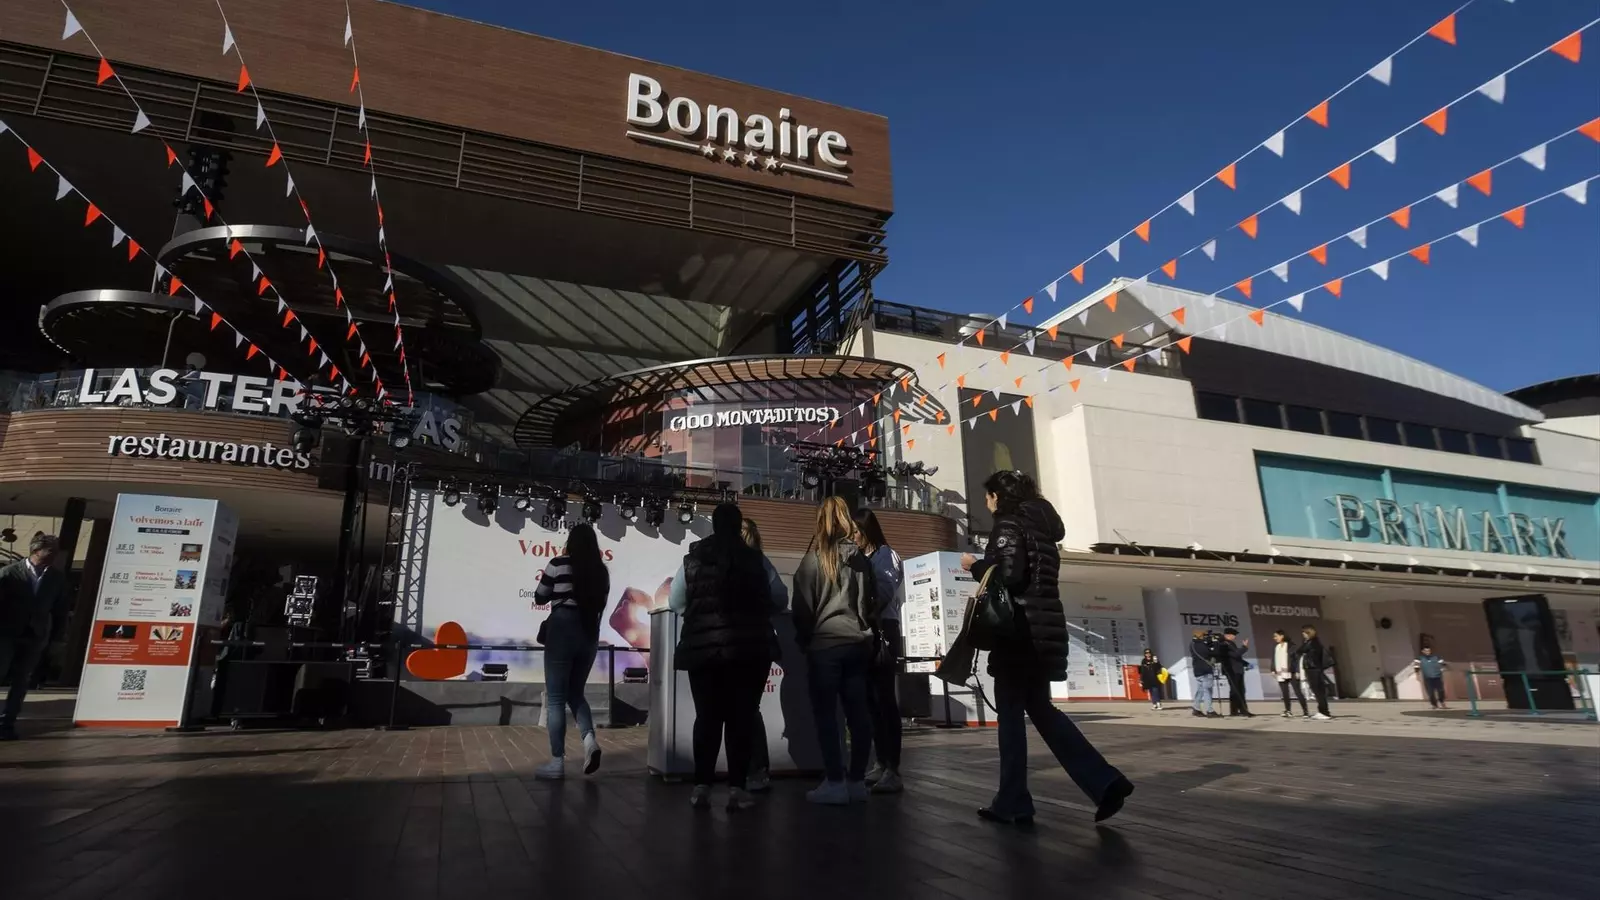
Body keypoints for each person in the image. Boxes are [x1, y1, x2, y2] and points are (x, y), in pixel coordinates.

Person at [959, 471, 1133, 825]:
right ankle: (1104, 782)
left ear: (997, 496)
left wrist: (976, 566)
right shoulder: (1042, 529)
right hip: (1043, 633)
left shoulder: (1008, 525)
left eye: (988, 496)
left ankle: (1013, 802)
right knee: (1041, 710)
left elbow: (1009, 577)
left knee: (1011, 717)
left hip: (1018, 635)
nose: (987, 503)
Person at [667, 503, 774, 811]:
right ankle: (737, 789)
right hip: (748, 650)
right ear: (739, 526)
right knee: (741, 718)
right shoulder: (756, 560)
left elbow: (676, 601)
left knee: (707, 717)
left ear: (713, 525)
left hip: (704, 650)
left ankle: (701, 787)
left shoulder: (692, 558)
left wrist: (700, 614)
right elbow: (777, 598)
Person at [792, 496, 877, 805]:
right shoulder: (862, 561)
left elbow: (802, 609)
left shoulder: (813, 561)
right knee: (858, 714)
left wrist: (805, 639)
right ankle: (857, 781)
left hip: (825, 646)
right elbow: (870, 604)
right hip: (857, 643)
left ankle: (835, 781)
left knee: (827, 716)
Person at [533, 523, 610, 779]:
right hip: (589, 631)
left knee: (556, 698)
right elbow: (600, 605)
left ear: (571, 542)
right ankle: (590, 742)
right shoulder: (601, 572)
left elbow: (540, 596)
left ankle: (557, 762)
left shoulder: (558, 564)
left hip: (562, 629)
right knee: (576, 693)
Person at [853, 508, 905, 794]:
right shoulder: (863, 556)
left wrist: (867, 609)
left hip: (883, 628)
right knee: (870, 700)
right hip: (867, 628)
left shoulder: (885, 555)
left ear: (867, 530)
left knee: (884, 699)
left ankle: (892, 767)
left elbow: (885, 591)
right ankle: (881, 761)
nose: (853, 537)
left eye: (856, 531)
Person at [0, 534, 67, 741]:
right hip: (6, 634)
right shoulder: (9, 573)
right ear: (36, 551)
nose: (55, 555)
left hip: (35, 635)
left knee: (22, 680)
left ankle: (7, 723)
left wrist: (57, 638)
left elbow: (60, 610)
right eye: (51, 551)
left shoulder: (56, 578)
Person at [740, 517, 788, 793]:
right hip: (757, 641)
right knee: (749, 708)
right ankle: (757, 770)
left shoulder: (714, 559)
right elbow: (781, 598)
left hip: (723, 642)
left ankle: (723, 774)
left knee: (722, 710)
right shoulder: (761, 563)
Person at [1298, 624, 1333, 720]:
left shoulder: (1312, 642)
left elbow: (1300, 650)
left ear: (1308, 633)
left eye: (1304, 632)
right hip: (1313, 668)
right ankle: (1322, 711)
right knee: (1317, 691)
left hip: (1313, 668)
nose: (1303, 634)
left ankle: (1324, 712)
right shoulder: (1313, 642)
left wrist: (1305, 643)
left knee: (1318, 691)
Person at [1272, 629, 1309, 718]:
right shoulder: (1277, 647)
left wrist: (1297, 671)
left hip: (1291, 671)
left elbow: (1296, 659)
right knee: (1285, 693)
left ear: (1282, 636)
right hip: (1281, 673)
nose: (1274, 638)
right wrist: (1273, 669)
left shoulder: (1291, 646)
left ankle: (1305, 711)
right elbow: (1274, 659)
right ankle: (1288, 710)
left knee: (1297, 692)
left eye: (1276, 636)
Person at [1217, 628, 1254, 718]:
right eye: (1233, 635)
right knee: (1236, 690)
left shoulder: (1231, 644)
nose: (1234, 637)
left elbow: (1236, 658)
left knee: (1239, 690)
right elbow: (1236, 654)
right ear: (1227, 635)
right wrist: (1244, 647)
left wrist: (1246, 664)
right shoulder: (1224, 644)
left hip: (1237, 669)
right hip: (1232, 670)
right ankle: (1242, 710)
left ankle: (1236, 710)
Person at [1188, 628, 1220, 719]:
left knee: (1200, 690)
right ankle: (1209, 710)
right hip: (1205, 670)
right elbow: (1214, 653)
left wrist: (1209, 642)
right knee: (1207, 690)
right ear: (1201, 636)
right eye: (1205, 635)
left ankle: (1196, 708)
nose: (1206, 637)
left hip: (1198, 671)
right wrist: (1216, 643)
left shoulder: (1192, 644)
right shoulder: (1201, 645)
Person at [1415, 644, 1449, 709]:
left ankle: (1442, 702)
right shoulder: (1419, 658)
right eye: (1426, 651)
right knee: (1430, 692)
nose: (1428, 652)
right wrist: (1417, 675)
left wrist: (1443, 669)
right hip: (1428, 678)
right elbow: (1416, 666)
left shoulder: (1436, 657)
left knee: (1441, 691)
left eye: (1429, 651)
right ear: (1423, 651)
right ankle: (1434, 704)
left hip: (1437, 677)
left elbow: (1443, 664)